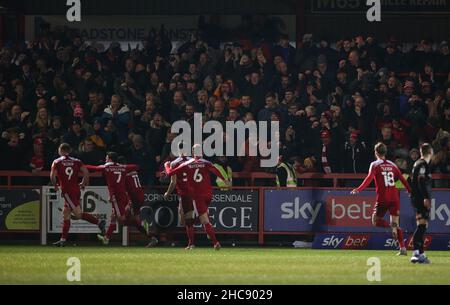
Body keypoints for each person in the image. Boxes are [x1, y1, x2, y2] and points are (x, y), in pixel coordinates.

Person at [351, 142, 411, 256]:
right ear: (385, 152)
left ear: (376, 153)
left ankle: (390, 227)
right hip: (394, 198)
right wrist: (410, 191)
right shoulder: (392, 165)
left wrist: (359, 189)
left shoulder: (375, 164)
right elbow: (403, 179)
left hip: (383, 198)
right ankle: (402, 248)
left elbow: (369, 178)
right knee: (396, 223)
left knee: (375, 221)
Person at [164, 144, 227, 250]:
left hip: (196, 195)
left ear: (193, 152)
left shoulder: (186, 164)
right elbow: (216, 171)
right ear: (201, 152)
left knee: (198, 220)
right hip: (209, 194)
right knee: (204, 217)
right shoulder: (206, 162)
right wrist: (225, 180)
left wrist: (166, 165)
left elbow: (170, 173)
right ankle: (208, 231)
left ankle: (214, 242)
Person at [50, 143, 106, 247]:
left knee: (78, 214)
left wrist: (55, 185)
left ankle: (99, 222)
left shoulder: (57, 161)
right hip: (76, 189)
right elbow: (86, 172)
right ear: (69, 150)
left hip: (67, 191)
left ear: (61, 150)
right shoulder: (76, 161)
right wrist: (84, 182)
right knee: (66, 213)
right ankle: (62, 240)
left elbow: (52, 176)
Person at [85, 152, 142, 245]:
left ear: (110, 159)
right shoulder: (123, 167)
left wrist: (81, 166)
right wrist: (123, 167)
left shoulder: (107, 167)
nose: (105, 160)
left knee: (121, 219)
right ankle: (106, 238)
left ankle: (140, 225)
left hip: (116, 196)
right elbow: (136, 166)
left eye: (107, 158)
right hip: (123, 194)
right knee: (114, 217)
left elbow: (93, 168)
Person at [118, 156, 158, 248]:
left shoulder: (123, 173)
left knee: (123, 219)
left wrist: (128, 202)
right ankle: (150, 236)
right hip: (140, 195)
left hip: (134, 198)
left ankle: (145, 227)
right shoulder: (133, 171)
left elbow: (125, 189)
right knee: (131, 219)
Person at [163, 154, 196, 249]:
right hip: (195, 192)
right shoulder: (193, 161)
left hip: (184, 193)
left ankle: (191, 243)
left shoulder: (174, 163)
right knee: (191, 218)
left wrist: (167, 193)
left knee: (185, 220)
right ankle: (192, 242)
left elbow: (173, 182)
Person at [409, 143, 434, 264]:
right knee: (422, 226)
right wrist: (425, 197)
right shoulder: (423, 164)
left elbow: (411, 179)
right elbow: (421, 180)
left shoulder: (417, 163)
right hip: (420, 198)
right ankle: (416, 253)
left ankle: (419, 253)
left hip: (416, 198)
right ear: (430, 152)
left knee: (421, 225)